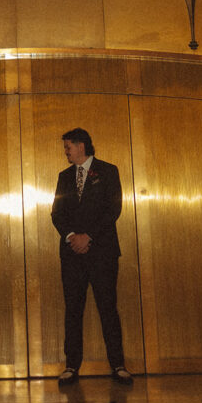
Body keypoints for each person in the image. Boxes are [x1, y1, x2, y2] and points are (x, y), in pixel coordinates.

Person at [51, 128, 133, 385]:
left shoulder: (108, 171)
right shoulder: (64, 177)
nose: (66, 152)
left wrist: (89, 236)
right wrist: (72, 236)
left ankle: (118, 364)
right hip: (72, 255)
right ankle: (71, 366)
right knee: (73, 310)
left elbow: (113, 209)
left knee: (107, 307)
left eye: (68, 147)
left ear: (81, 146)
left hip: (102, 253)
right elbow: (57, 213)